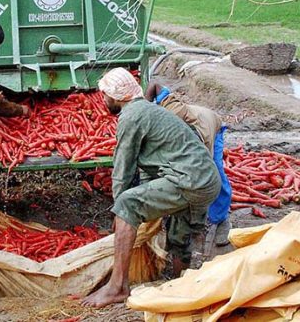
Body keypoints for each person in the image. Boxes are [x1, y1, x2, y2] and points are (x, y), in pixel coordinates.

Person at [81, 68, 221, 308]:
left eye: (105, 95)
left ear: (117, 96)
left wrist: (120, 211)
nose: (104, 100)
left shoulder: (131, 115)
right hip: (206, 180)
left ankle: (117, 287)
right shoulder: (150, 110)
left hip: (188, 179)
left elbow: (123, 168)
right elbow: (148, 165)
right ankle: (180, 285)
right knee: (179, 233)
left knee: (127, 204)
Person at [145, 81, 232, 247]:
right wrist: (145, 103)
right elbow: (155, 85)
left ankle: (220, 219)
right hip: (194, 117)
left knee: (216, 173)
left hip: (213, 125)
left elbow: (201, 179)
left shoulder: (202, 146)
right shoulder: (171, 113)